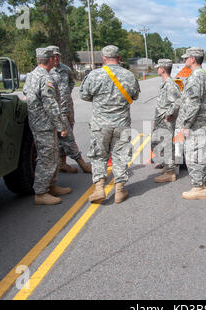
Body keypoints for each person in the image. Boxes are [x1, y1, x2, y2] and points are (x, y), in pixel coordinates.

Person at [80, 45, 140, 204]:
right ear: (119, 58)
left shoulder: (94, 75)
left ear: (104, 59)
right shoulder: (129, 75)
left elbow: (84, 95)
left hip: (100, 124)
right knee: (120, 155)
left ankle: (100, 188)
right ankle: (120, 190)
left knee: (99, 155)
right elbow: (134, 96)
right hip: (121, 123)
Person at [23, 48, 71, 205]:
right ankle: (41, 192)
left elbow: (26, 93)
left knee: (52, 155)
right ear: (50, 60)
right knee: (47, 158)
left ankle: (51, 185)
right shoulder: (45, 78)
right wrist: (61, 125)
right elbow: (50, 104)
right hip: (44, 124)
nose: (55, 60)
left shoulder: (32, 75)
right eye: (53, 58)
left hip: (39, 122)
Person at [176, 47, 206, 200]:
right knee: (202, 154)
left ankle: (199, 187)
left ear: (193, 59)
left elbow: (193, 104)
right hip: (202, 123)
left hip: (196, 125)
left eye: (186, 58)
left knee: (195, 156)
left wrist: (186, 125)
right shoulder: (202, 75)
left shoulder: (195, 77)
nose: (184, 60)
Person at [46, 45, 92, 174]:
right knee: (67, 138)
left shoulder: (65, 69)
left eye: (58, 55)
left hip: (68, 108)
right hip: (56, 110)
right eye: (53, 56)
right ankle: (82, 164)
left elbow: (71, 82)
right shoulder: (45, 72)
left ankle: (63, 163)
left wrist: (67, 93)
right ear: (48, 57)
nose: (56, 58)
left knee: (67, 134)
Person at [152, 59, 181, 183]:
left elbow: (178, 101)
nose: (157, 69)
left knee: (166, 144)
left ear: (163, 69)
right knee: (160, 144)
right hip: (161, 120)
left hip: (166, 120)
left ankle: (170, 172)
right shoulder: (165, 83)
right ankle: (168, 166)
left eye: (158, 67)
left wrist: (169, 114)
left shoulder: (170, 84)